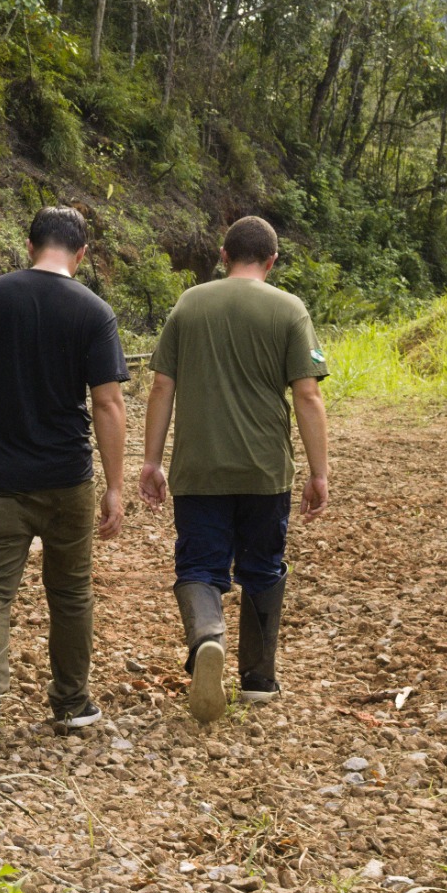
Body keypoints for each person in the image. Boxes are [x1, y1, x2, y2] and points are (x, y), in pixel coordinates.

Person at [0, 206, 128, 769]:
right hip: (67, 477)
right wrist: (114, 486)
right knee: (70, 592)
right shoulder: (94, 311)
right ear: (82, 253)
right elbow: (108, 403)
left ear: (29, 245)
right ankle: (70, 704)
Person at [140, 216, 329, 723]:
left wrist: (152, 461)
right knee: (264, 567)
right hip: (265, 469)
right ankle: (259, 680)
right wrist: (319, 471)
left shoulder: (189, 304)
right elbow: (307, 394)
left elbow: (162, 387)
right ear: (271, 261)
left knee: (200, 568)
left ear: (223, 255)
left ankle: (207, 639)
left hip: (199, 469)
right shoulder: (290, 309)